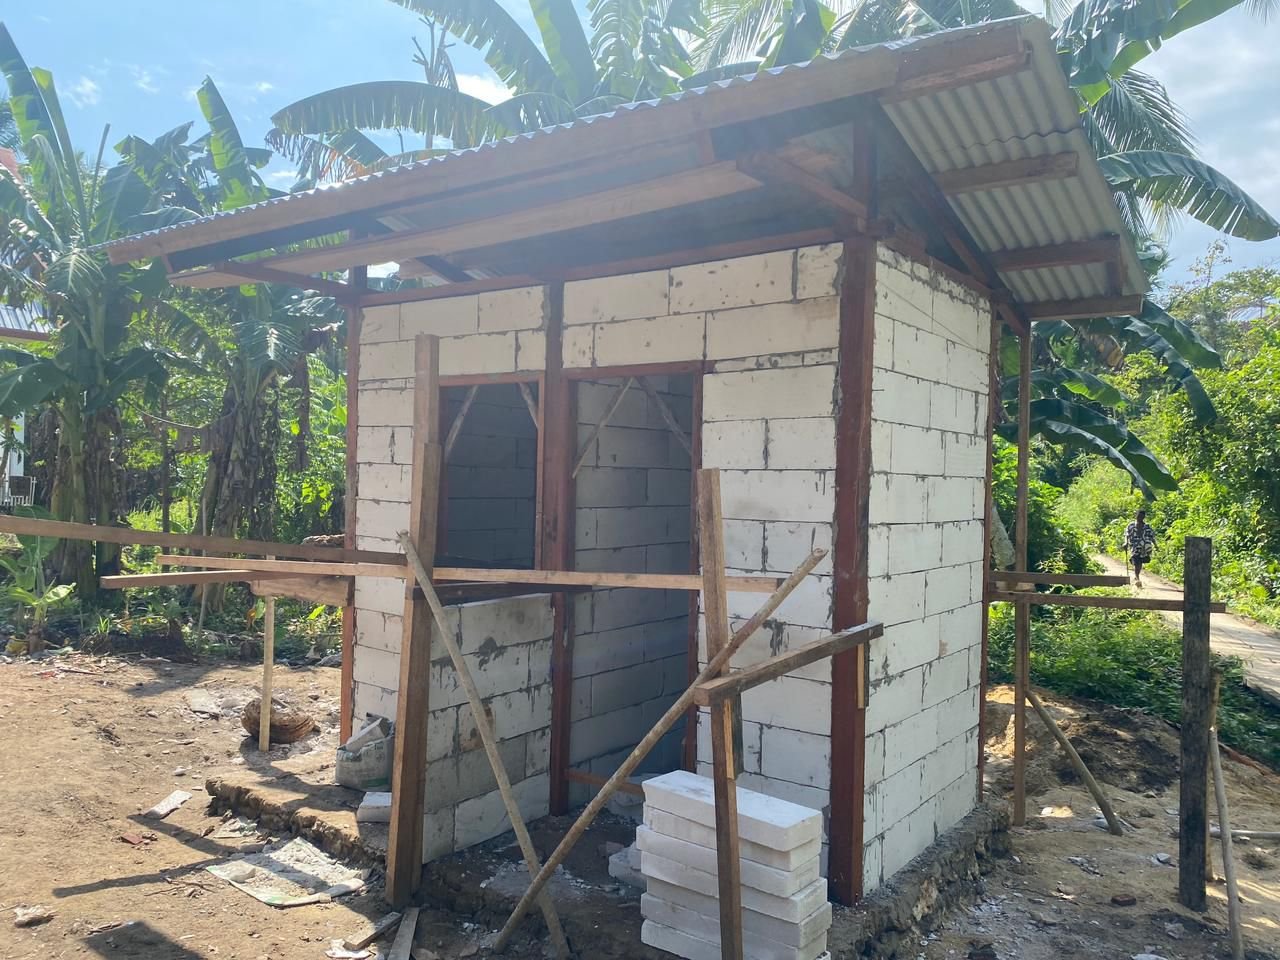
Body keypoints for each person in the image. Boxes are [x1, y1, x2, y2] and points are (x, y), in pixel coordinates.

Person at [1123, 509, 1157, 587]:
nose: (1140, 518)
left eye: (1142, 516)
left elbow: (1152, 537)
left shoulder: (1147, 527)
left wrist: (1156, 545)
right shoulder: (1131, 525)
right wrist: (1126, 542)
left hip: (1144, 548)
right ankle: (1137, 577)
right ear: (1136, 516)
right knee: (1136, 561)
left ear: (1144, 517)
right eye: (1139, 516)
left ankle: (1137, 577)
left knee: (1140, 562)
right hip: (1134, 547)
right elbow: (1126, 535)